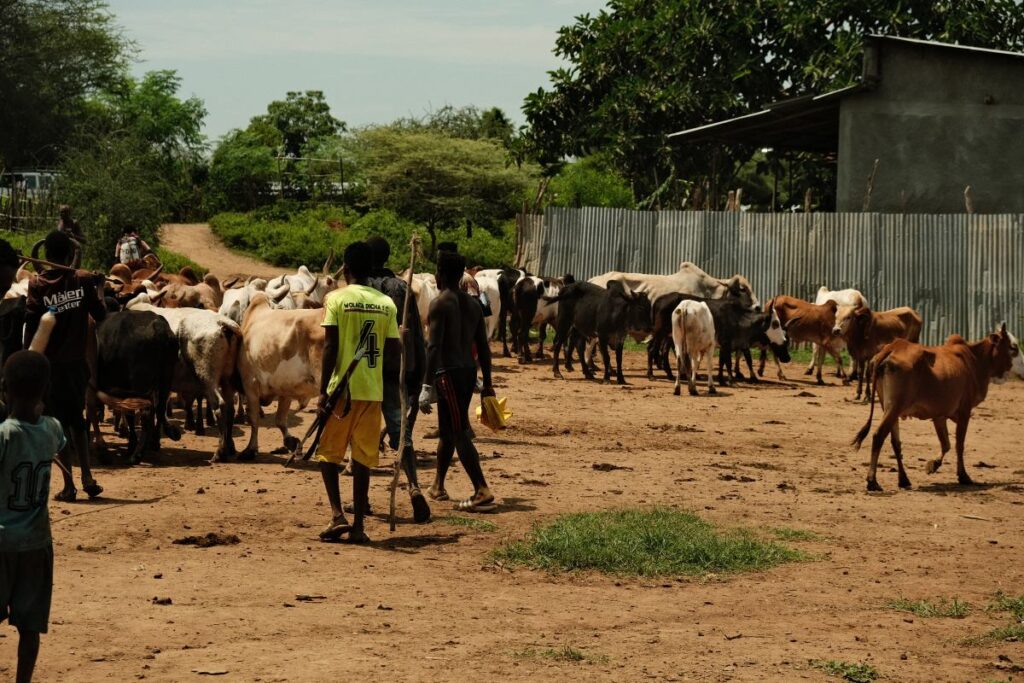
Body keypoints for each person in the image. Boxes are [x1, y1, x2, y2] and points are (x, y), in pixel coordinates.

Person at [316, 241, 401, 543]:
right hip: (372, 391)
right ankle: (360, 527)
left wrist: (324, 391)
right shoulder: (386, 304)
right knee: (363, 457)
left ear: (346, 269)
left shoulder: (336, 299)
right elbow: (393, 351)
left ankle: (337, 514)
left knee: (328, 454)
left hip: (342, 389)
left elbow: (330, 346)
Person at [23, 231, 106, 502]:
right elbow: (102, 315)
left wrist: (28, 359)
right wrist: (97, 286)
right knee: (78, 421)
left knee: (58, 424)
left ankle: (69, 484)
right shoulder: (81, 279)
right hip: (77, 366)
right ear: (70, 254)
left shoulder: (36, 284)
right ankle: (88, 477)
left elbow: (32, 325)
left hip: (50, 368)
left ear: (46, 256)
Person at [0, 350, 67, 683]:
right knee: (29, 627)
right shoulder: (52, 430)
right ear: (46, 390)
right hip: (37, 544)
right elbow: (58, 439)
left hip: (1, 542)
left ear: (4, 389)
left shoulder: (4, 434)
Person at [419, 249, 496, 512]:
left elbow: (433, 347)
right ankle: (438, 485)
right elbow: (483, 348)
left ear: (440, 275)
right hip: (466, 372)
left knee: (459, 430)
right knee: (448, 428)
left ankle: (481, 489)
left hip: (447, 375)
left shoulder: (440, 303)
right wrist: (488, 382)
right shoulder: (473, 304)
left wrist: (426, 385)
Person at [364, 236, 430, 523]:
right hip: (397, 371)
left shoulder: (361, 288)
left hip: (365, 372)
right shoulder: (401, 287)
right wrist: (416, 374)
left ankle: (362, 499)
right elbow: (416, 335)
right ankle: (414, 486)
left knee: (361, 437)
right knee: (402, 435)